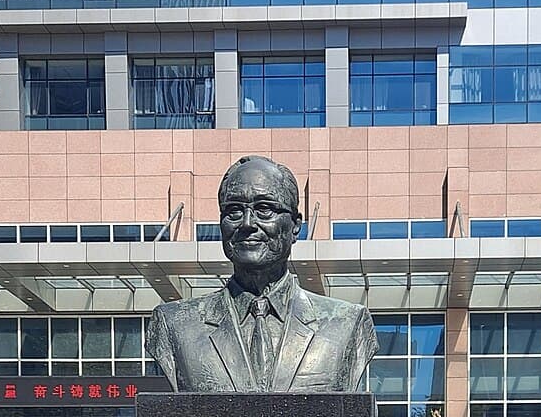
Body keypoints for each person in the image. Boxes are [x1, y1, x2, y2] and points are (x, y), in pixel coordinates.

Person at [145, 155, 379, 392]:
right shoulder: (175, 324)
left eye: (264, 209)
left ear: (295, 226)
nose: (247, 223)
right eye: (234, 210)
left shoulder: (347, 323)